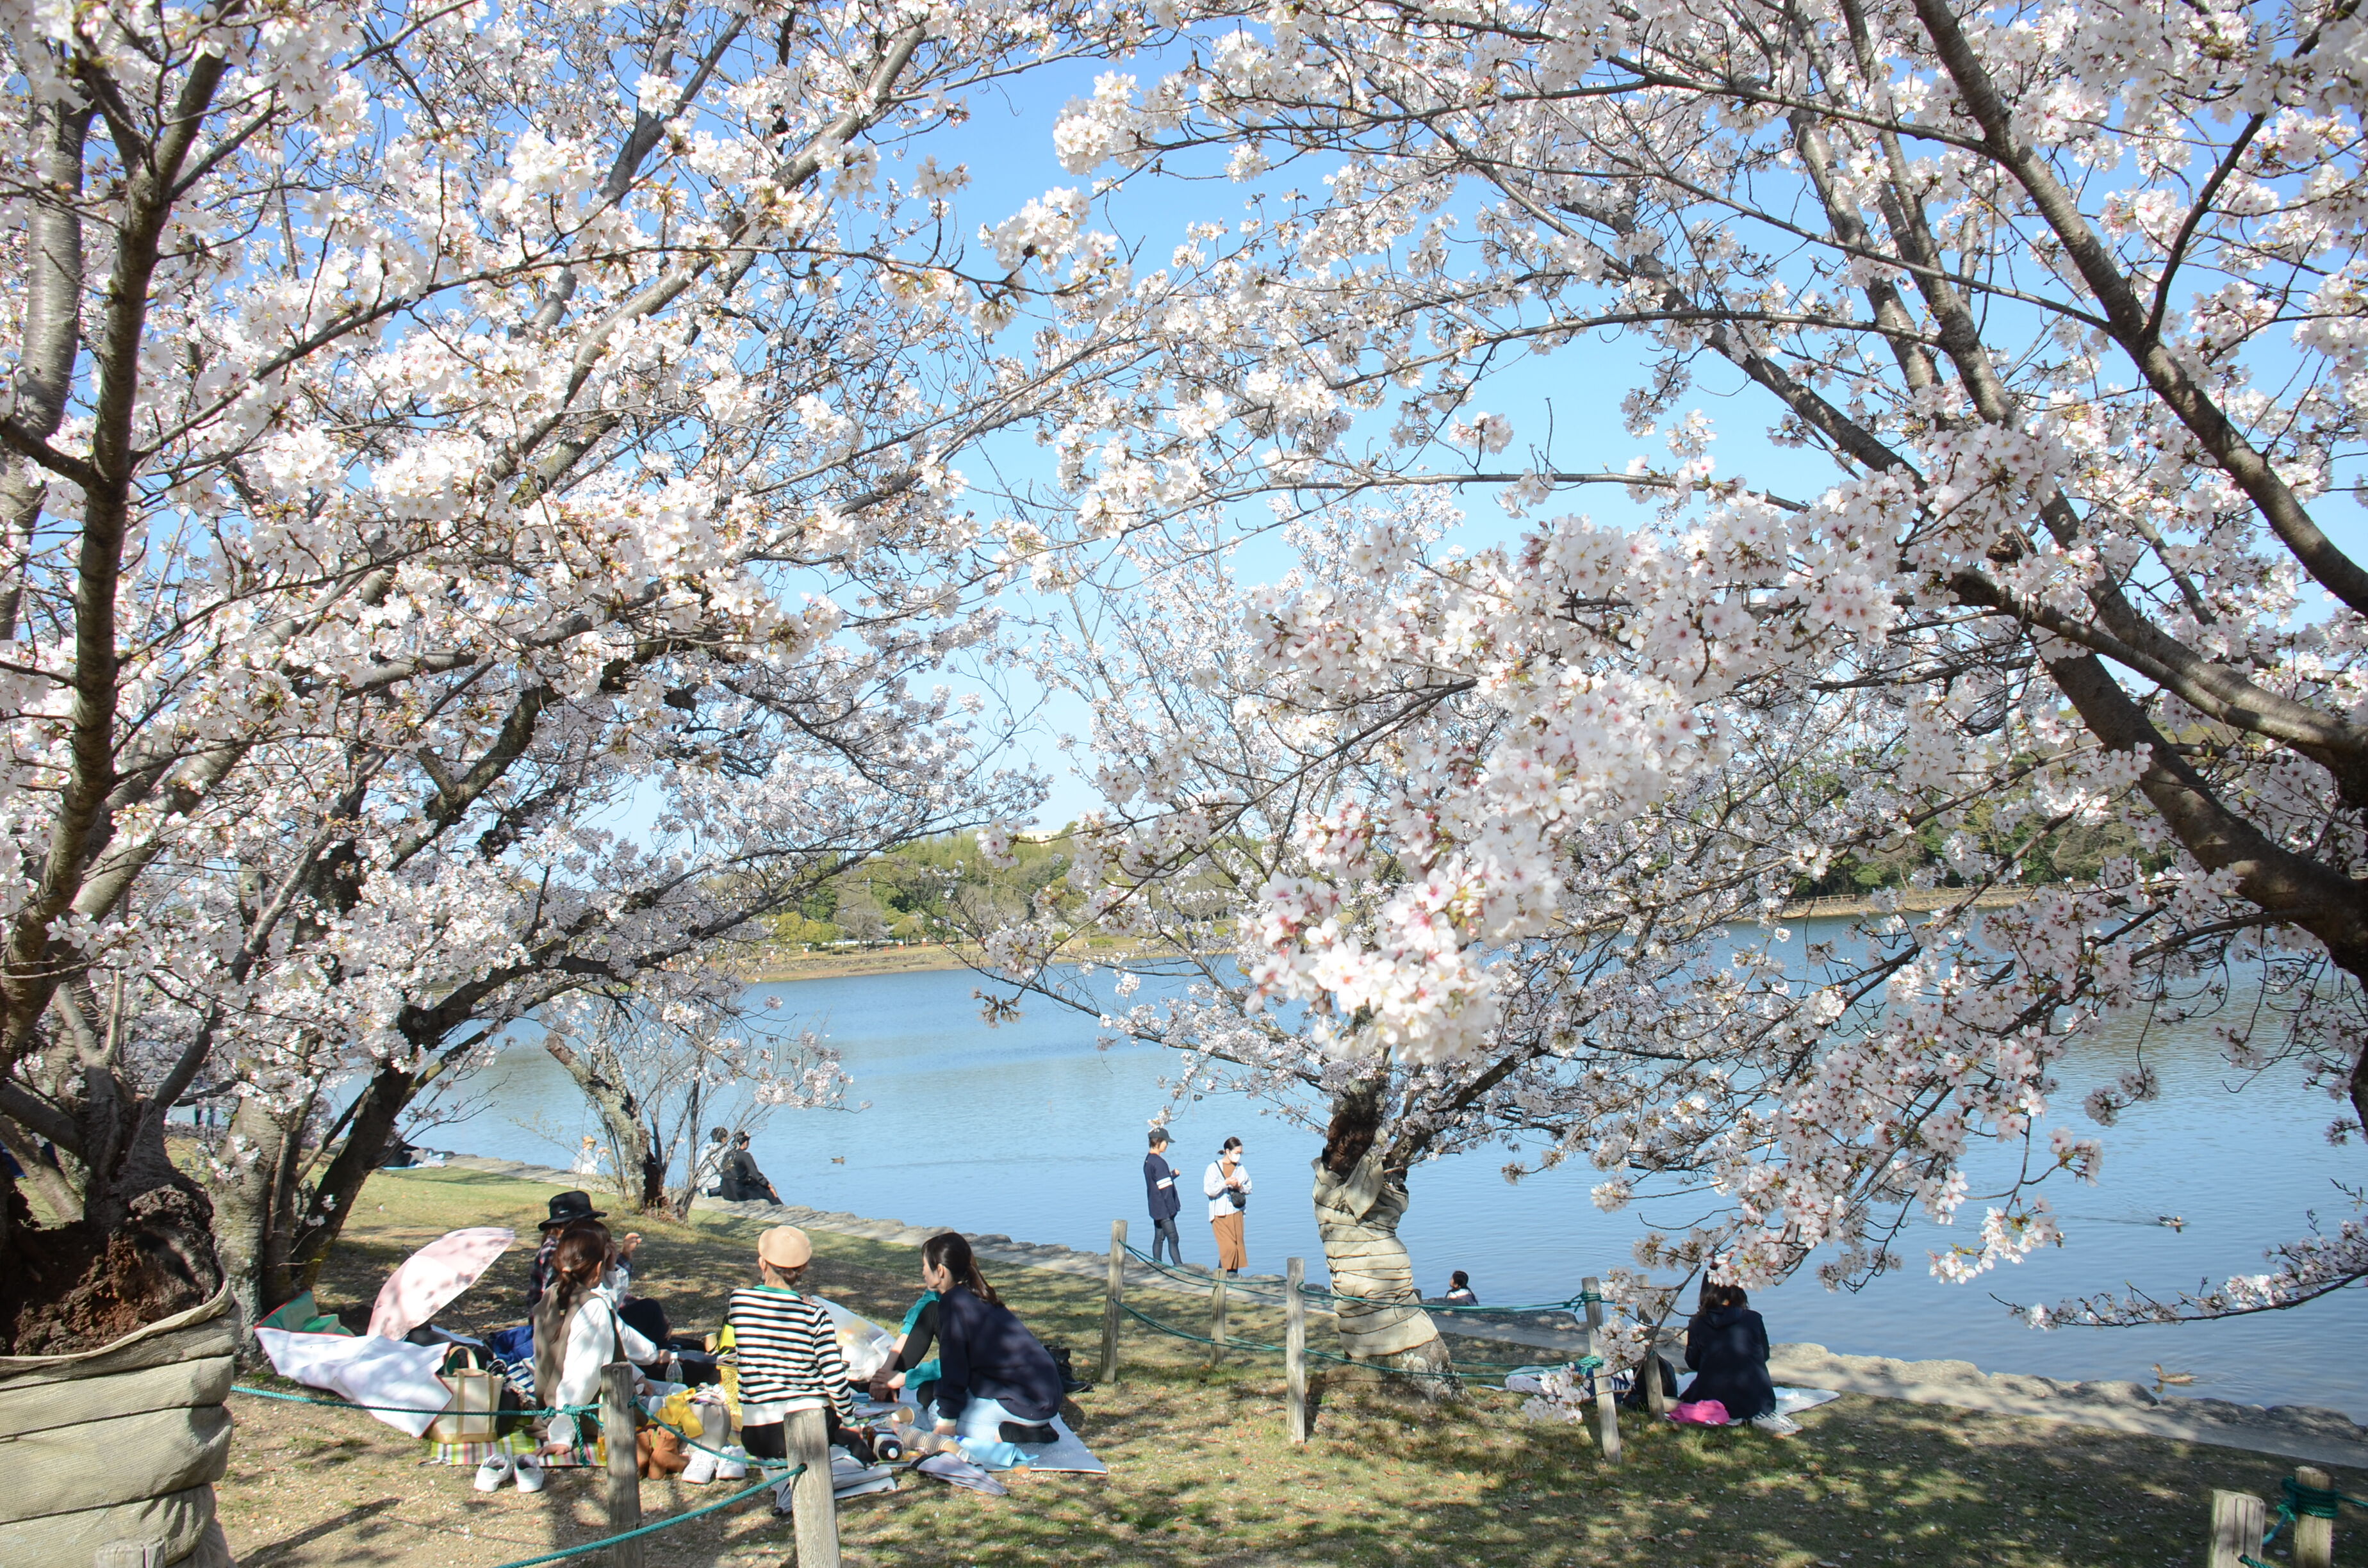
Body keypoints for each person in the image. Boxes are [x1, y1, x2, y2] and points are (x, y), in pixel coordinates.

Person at [725, 1225, 875, 1462]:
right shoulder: (815, 1316)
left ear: (762, 1263)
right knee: (847, 1435)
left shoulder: (739, 1302)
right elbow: (834, 1378)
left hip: (757, 1434)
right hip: (808, 1431)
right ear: (803, 1268)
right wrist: (850, 1422)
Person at [916, 1231, 1064, 1449]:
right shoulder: (976, 1294)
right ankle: (1023, 1427)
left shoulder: (952, 1304)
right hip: (1044, 1396)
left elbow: (954, 1365)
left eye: (925, 1266)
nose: (922, 1272)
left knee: (935, 1413)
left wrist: (947, 1421)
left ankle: (1010, 1434)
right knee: (930, 1394)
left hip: (1026, 1404)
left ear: (940, 1270)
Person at [533, 1221, 659, 1467]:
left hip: (549, 1410)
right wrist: (562, 1435)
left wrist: (637, 1376)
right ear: (599, 1266)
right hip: (592, 1420)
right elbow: (583, 1376)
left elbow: (597, 1354)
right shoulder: (593, 1307)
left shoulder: (552, 1294)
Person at [1683, 1280, 1796, 1434]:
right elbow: (1764, 1355)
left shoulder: (1697, 1322)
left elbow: (1693, 1362)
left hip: (1712, 1400)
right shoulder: (1754, 1319)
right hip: (1758, 1402)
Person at [525, 1190, 641, 1310]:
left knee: (647, 1308)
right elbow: (573, 1293)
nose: (591, 1227)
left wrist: (624, 1254)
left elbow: (607, 1282)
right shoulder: (553, 1251)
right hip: (561, 1318)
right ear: (566, 1226)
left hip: (588, 1307)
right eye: (587, 1222)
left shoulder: (578, 1245)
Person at [1203, 1136, 1250, 1276]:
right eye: (1236, 1153)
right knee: (1228, 1248)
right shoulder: (1213, 1168)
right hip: (1219, 1213)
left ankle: (1231, 1277)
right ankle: (1220, 1279)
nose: (1238, 1156)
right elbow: (1209, 1190)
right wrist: (1225, 1183)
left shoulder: (1241, 1169)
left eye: (1240, 1153)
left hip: (1236, 1212)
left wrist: (1239, 1186)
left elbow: (1249, 1188)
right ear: (1227, 1152)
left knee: (1236, 1249)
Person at [1143, 1129, 1184, 1266]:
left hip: (1155, 1207)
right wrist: (1171, 1210)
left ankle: (1157, 1265)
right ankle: (1179, 1267)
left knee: (1159, 1238)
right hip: (1164, 1209)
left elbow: (1159, 1182)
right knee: (1173, 1238)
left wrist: (1172, 1175)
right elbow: (1165, 1189)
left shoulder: (1149, 1160)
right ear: (1158, 1142)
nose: (1167, 1145)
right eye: (1166, 1142)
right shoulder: (1160, 1163)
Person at [718, 1131, 782, 1204]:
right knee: (765, 1190)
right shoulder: (745, 1156)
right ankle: (778, 1206)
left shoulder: (727, 1154)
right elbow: (756, 1175)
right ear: (745, 1142)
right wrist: (769, 1185)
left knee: (754, 1183)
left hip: (725, 1190)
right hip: (737, 1191)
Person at [693, 1127, 730, 1196]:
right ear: (724, 1139)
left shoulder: (706, 1150)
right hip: (715, 1187)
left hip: (701, 1187)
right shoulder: (725, 1150)